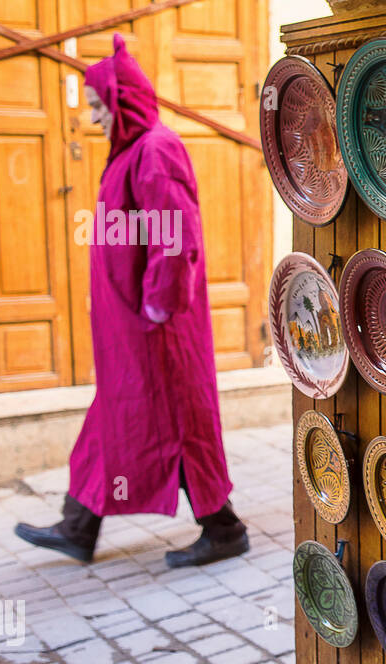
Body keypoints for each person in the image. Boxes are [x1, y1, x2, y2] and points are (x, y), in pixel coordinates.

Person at [15, 34, 248, 568]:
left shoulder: (155, 149)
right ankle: (78, 526)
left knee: (178, 423)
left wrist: (159, 305)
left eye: (99, 105)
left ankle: (224, 528)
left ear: (123, 100)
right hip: (131, 328)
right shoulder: (131, 151)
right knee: (113, 415)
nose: (93, 117)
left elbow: (177, 237)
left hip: (156, 327)